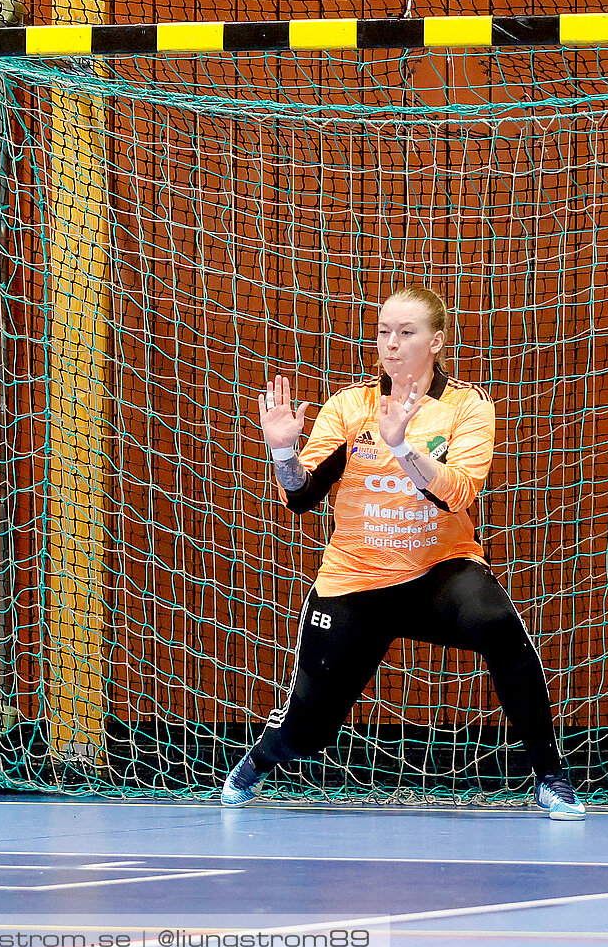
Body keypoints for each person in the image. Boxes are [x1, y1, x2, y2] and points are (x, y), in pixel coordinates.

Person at [223, 287, 583, 820]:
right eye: (385, 331)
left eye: (406, 332)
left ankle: (552, 779)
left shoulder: (467, 406)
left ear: (436, 341)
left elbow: (456, 493)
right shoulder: (351, 407)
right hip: (355, 582)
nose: (391, 344)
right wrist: (282, 450)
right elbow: (301, 497)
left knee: (499, 626)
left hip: (439, 572)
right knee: (314, 726)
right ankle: (260, 760)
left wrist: (400, 446)